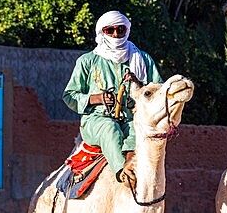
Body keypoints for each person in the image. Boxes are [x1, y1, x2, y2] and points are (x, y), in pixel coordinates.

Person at [62, 10, 162, 186]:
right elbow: (69, 96)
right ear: (102, 32)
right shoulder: (87, 61)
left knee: (137, 130)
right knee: (110, 129)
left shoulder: (142, 59)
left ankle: (131, 164)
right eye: (110, 30)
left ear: (127, 31)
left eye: (120, 30)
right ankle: (121, 172)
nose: (116, 34)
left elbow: (158, 92)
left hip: (131, 117)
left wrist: (138, 83)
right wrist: (97, 98)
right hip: (96, 120)